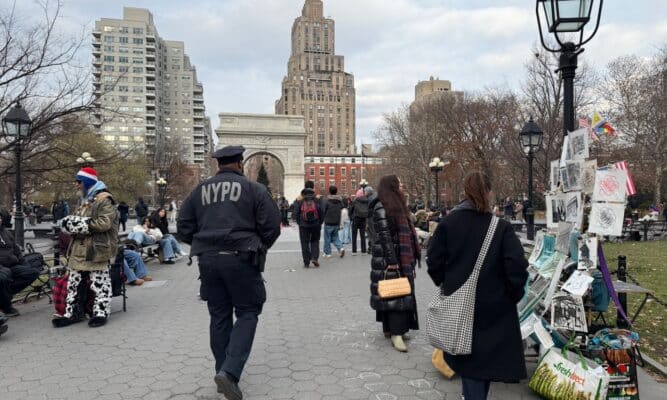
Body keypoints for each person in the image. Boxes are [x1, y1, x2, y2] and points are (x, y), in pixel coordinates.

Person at [177, 145, 281, 400]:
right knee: (248, 312)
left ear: (218, 164)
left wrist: (204, 244)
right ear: (240, 163)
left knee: (219, 315)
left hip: (208, 261)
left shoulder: (200, 190)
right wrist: (258, 244)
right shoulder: (254, 189)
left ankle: (221, 370)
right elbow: (272, 226)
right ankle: (230, 373)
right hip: (242, 259)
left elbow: (182, 226)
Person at [426, 171, 529, 400]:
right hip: (495, 307)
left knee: (469, 364)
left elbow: (433, 261)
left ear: (465, 192)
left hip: (460, 305)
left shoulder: (449, 222)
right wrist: (512, 294)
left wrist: (447, 284)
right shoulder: (500, 227)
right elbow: (517, 267)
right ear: (489, 193)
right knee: (485, 364)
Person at [54, 167, 119, 328]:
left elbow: (104, 223)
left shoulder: (105, 199)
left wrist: (77, 224)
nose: (76, 185)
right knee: (73, 282)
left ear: (87, 182)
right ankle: (72, 313)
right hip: (78, 249)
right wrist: (69, 223)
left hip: (96, 249)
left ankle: (101, 313)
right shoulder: (85, 199)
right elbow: (79, 220)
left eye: (79, 181)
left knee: (100, 282)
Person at [369, 175, 420, 352]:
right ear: (392, 186)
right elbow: (384, 236)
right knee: (395, 295)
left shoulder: (395, 205)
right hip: (390, 259)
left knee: (399, 293)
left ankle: (394, 329)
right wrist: (392, 261)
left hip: (399, 257)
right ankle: (396, 333)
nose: (402, 184)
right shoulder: (382, 206)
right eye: (399, 182)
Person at [0, 223, 41, 317]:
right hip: (2, 268)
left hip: (12, 265)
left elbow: (16, 250)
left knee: (32, 273)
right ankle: (6, 307)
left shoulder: (6, 232)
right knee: (2, 278)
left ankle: (4, 297)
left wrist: (24, 263)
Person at [293, 181, 324, 268]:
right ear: (313, 187)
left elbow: (295, 213)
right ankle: (314, 258)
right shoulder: (317, 198)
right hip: (316, 224)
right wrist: (320, 222)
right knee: (315, 241)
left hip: (303, 225)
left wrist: (300, 222)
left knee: (304, 243)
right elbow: (321, 211)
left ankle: (306, 262)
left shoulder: (299, 199)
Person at [322, 185, 345, 258]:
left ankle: (327, 253)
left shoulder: (326, 201)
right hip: (336, 222)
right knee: (335, 237)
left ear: (329, 191)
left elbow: (323, 210)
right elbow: (342, 209)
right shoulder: (339, 201)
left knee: (327, 238)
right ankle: (341, 248)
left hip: (328, 221)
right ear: (336, 191)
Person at [350, 188, 369, 255]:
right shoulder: (366, 201)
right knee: (362, 235)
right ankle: (363, 251)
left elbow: (350, 210)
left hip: (356, 218)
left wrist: (351, 217)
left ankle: (354, 251)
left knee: (354, 236)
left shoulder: (355, 201)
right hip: (363, 219)